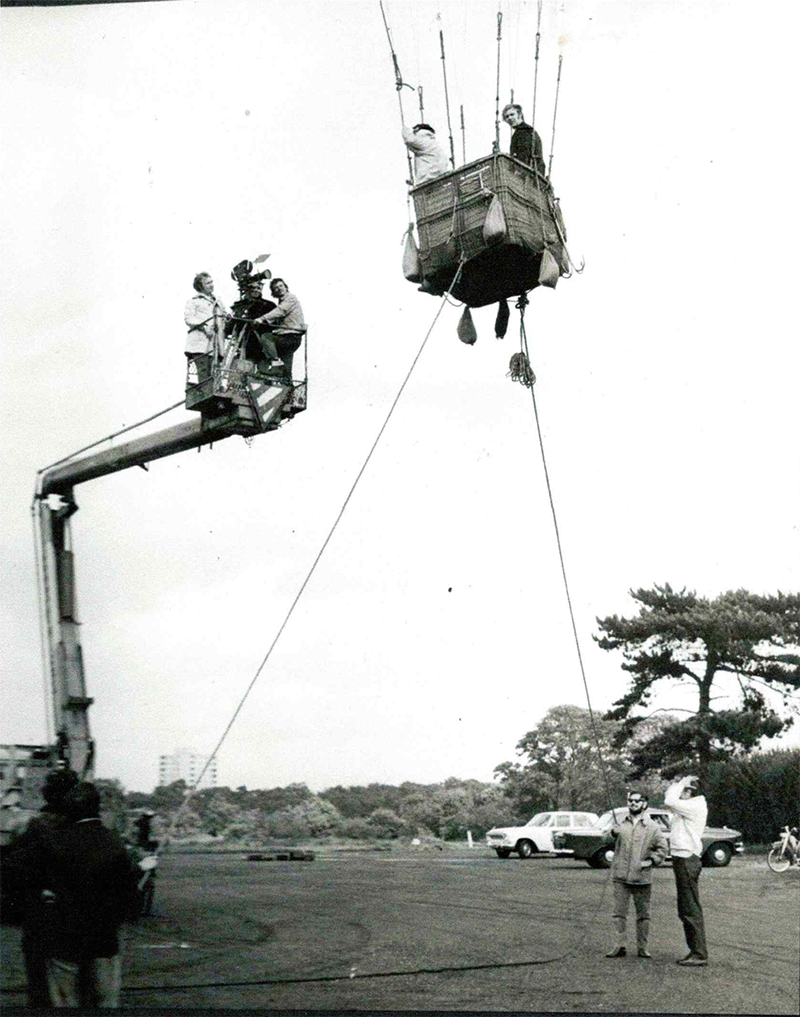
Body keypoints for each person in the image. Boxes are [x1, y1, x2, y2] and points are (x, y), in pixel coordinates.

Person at [10, 781, 139, 1008]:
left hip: (63, 938)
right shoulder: (115, 843)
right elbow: (129, 899)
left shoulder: (54, 842)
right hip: (103, 938)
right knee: (105, 1001)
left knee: (63, 1000)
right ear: (97, 807)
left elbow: (25, 878)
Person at [4, 769, 80, 1008]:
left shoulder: (37, 827)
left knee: (39, 986)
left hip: (39, 918)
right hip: (76, 920)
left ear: (47, 794)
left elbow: (12, 869)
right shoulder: (81, 828)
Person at [606, 790, 669, 960]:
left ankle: (642, 948)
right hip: (621, 876)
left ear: (644, 804)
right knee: (619, 913)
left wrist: (651, 862)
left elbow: (663, 849)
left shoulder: (653, 827)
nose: (633, 803)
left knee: (643, 915)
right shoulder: (620, 823)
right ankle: (619, 946)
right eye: (630, 800)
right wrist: (612, 833)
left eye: (637, 801)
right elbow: (605, 840)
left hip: (642, 878)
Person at [664, 774, 709, 966]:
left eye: (683, 790)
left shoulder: (695, 805)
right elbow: (670, 800)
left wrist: (680, 783)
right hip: (682, 858)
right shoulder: (688, 808)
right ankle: (695, 950)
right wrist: (679, 784)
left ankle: (699, 953)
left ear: (689, 792)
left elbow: (668, 800)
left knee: (690, 907)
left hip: (686, 859)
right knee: (685, 907)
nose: (679, 793)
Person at [253, 278, 306, 383]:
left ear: (286, 287)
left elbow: (280, 311)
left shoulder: (290, 298)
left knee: (266, 338)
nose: (279, 289)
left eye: (281, 286)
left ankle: (276, 363)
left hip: (289, 337)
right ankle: (289, 394)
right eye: (276, 288)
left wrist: (261, 319)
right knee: (286, 372)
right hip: (292, 338)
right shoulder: (283, 301)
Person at [184, 272, 228, 385]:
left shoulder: (218, 301)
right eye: (208, 283)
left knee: (216, 374)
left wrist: (227, 317)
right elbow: (189, 319)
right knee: (204, 375)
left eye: (211, 282)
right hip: (200, 343)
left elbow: (224, 315)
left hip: (216, 343)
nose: (211, 285)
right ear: (200, 286)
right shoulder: (194, 301)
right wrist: (203, 327)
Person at [501, 103, 546, 176]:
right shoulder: (524, 131)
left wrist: (518, 172)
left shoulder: (524, 131)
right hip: (534, 173)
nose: (509, 118)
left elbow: (524, 154)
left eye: (512, 114)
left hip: (530, 174)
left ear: (520, 115)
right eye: (507, 117)